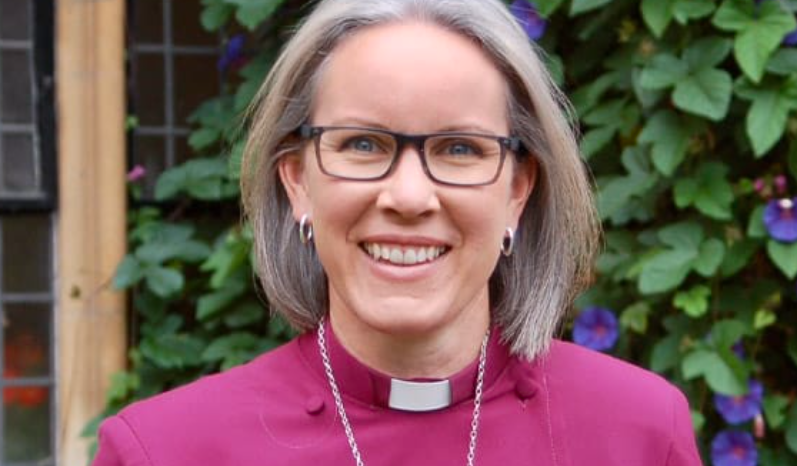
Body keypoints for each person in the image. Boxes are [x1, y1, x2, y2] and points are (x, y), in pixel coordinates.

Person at [92, 0, 704, 464]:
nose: (409, 197)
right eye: (363, 143)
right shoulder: (167, 449)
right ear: (298, 181)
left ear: (517, 190)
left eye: (460, 148)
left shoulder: (639, 433)